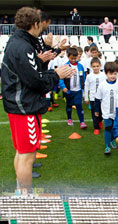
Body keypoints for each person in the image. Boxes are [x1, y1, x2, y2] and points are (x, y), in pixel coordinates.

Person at [1, 7, 74, 193]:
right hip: (25, 107)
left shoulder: (17, 41)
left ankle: (21, 192)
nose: (42, 29)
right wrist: (56, 74)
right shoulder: (23, 46)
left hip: (19, 105)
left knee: (21, 152)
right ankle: (26, 197)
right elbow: (36, 82)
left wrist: (44, 57)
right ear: (35, 24)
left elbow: (27, 71)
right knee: (27, 155)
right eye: (41, 25)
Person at [59, 47, 87, 129]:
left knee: (79, 104)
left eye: (75, 58)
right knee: (69, 105)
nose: (74, 60)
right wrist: (63, 87)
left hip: (78, 90)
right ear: (68, 56)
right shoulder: (65, 66)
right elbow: (61, 78)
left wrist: (83, 88)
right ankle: (69, 119)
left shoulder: (80, 66)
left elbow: (83, 77)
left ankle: (82, 122)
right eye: (72, 58)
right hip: (68, 90)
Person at [95, 61, 118, 155]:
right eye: (110, 73)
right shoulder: (102, 85)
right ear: (106, 74)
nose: (113, 76)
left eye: (115, 73)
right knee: (108, 128)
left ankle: (112, 140)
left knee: (115, 128)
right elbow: (97, 99)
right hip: (106, 112)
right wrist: (97, 110)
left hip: (117, 112)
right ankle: (107, 146)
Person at [84, 58, 106, 135]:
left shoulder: (104, 75)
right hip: (93, 98)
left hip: (102, 98)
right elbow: (86, 87)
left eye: (97, 66)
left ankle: (100, 120)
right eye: (94, 66)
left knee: (102, 112)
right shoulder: (89, 76)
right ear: (91, 66)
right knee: (94, 113)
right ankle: (96, 128)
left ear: (100, 66)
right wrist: (86, 97)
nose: (96, 68)